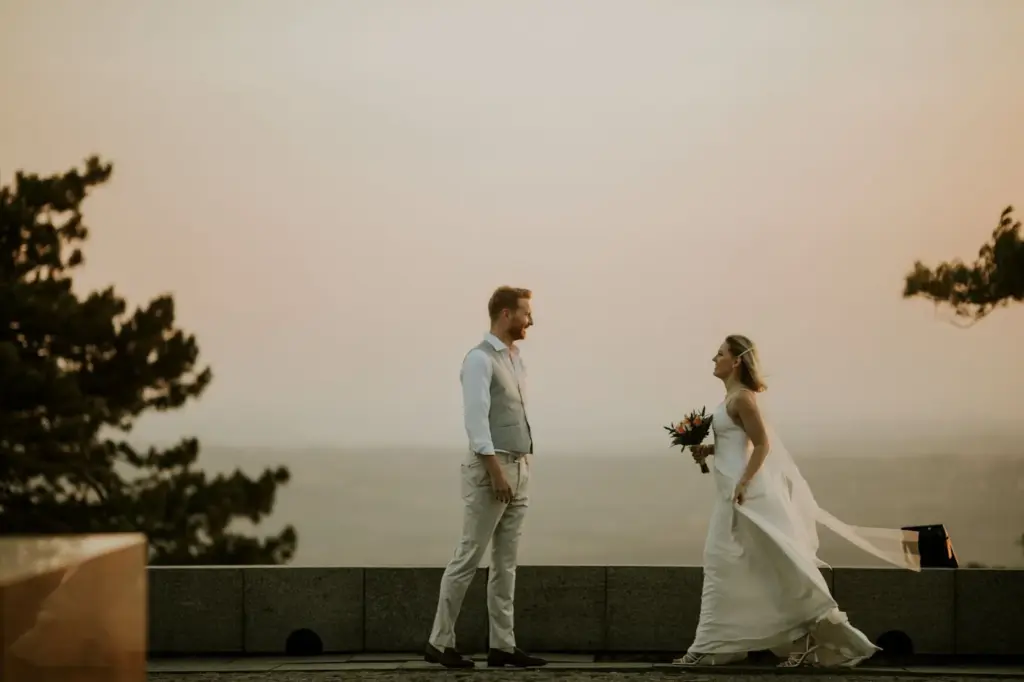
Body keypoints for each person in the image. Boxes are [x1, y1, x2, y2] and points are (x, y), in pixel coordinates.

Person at [675, 334, 921, 668]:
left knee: (760, 565)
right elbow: (737, 444)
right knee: (729, 565)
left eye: (719, 354)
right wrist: (709, 450)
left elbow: (763, 445)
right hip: (729, 496)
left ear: (736, 362)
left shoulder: (743, 399)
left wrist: (744, 482)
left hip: (745, 497)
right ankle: (719, 644)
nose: (713, 358)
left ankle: (710, 648)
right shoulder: (728, 400)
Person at [424, 286, 547, 669]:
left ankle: (503, 646)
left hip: (520, 467)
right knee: (467, 557)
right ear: (506, 314)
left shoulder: (516, 359)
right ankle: (439, 642)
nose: (532, 320)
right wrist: (496, 471)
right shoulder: (479, 360)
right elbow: (476, 421)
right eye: (526, 313)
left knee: (505, 563)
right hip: (492, 470)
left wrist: (518, 469)